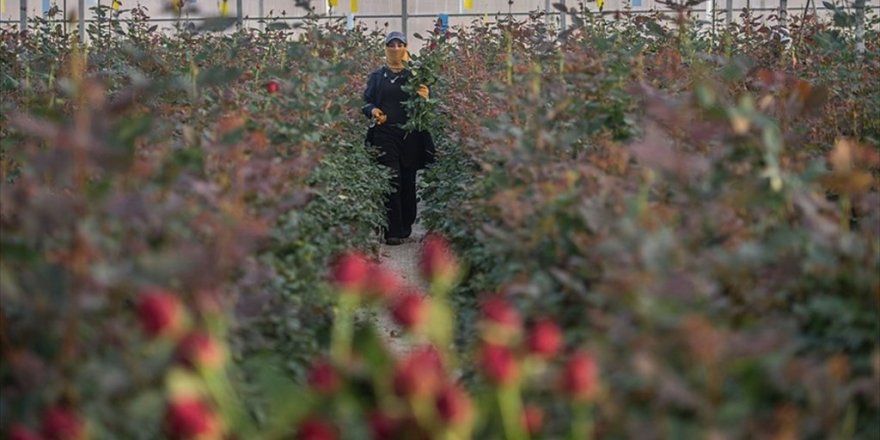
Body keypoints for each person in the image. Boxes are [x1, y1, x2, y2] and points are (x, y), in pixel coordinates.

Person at [362, 31, 435, 246]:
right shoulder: (378, 76)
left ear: (406, 47)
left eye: (399, 44)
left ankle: (405, 225)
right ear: (385, 48)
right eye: (391, 45)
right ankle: (392, 231)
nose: (395, 49)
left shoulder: (414, 76)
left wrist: (425, 96)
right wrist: (373, 110)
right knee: (391, 178)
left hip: (410, 135)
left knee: (407, 181)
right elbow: (366, 100)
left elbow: (428, 107)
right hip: (385, 134)